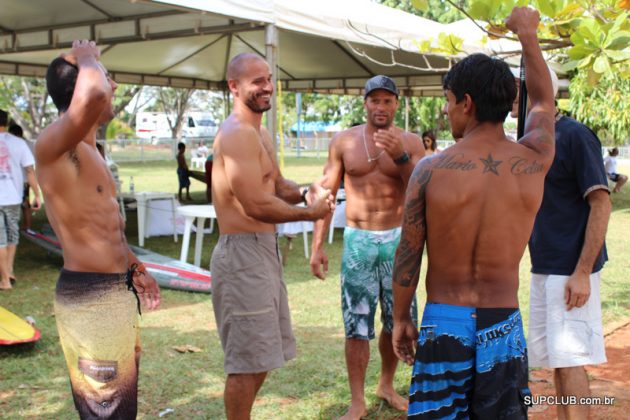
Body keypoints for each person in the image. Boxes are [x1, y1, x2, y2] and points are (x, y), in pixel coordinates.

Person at [391, 7, 556, 419]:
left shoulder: (430, 170)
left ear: (466, 102)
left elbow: (408, 255)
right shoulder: (534, 160)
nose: (446, 112)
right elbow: (543, 100)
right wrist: (527, 34)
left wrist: (400, 319)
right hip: (503, 320)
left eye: (448, 102)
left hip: (444, 318)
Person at [35, 40, 160, 419]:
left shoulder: (91, 151)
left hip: (115, 289)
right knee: (107, 408)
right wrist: (87, 55)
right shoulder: (53, 147)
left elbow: (105, 227)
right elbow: (94, 92)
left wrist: (135, 266)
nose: (114, 88)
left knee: (120, 405)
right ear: (81, 90)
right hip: (91, 297)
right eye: (107, 78)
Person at [210, 52, 334, 420]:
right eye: (256, 81)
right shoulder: (234, 134)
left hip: (264, 252)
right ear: (234, 86)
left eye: (268, 79)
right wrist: (309, 213)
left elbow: (277, 185)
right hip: (241, 255)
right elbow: (254, 203)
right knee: (245, 362)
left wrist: (304, 193)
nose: (266, 87)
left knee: (263, 354)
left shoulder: (259, 132)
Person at [309, 75, 425, 419]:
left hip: (398, 241)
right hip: (358, 239)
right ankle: (357, 400)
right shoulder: (344, 142)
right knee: (356, 323)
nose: (381, 106)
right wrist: (318, 246)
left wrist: (400, 155)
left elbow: (422, 186)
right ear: (365, 104)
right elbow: (326, 196)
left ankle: (386, 384)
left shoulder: (412, 142)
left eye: (387, 101)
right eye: (375, 100)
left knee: (397, 320)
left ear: (396, 105)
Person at [524, 77, 612, 420]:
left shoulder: (575, 135)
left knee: (571, 361)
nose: (513, 100)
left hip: (571, 270)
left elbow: (601, 204)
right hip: (545, 267)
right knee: (558, 362)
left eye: (522, 91)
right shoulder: (530, 142)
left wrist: (582, 272)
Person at [0, 112, 41, 289]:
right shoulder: (19, 143)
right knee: (12, 235)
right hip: (13, 198)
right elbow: (30, 171)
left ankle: (5, 279)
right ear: (7, 123)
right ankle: (8, 271)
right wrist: (37, 195)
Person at [8, 123, 38, 231]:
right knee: (26, 205)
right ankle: (27, 227)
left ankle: (14, 228)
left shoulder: (12, 145)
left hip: (15, 180)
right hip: (26, 180)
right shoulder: (30, 144)